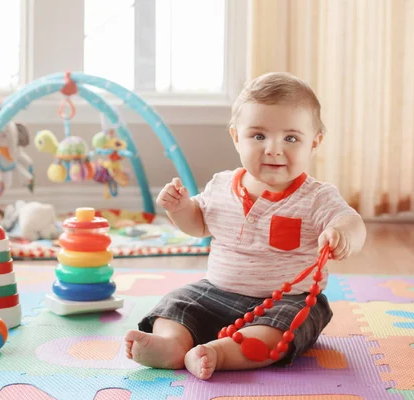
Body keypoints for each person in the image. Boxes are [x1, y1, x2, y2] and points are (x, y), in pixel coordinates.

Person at [123, 72, 367, 380]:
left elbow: (351, 221)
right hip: (216, 291)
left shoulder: (316, 197)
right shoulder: (222, 185)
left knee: (283, 329)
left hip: (286, 301)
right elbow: (198, 225)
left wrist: (343, 233)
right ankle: (172, 345)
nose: (274, 149)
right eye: (259, 136)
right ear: (237, 136)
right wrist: (181, 208)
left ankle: (220, 353)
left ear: (314, 143)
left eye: (291, 138)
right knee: (176, 304)